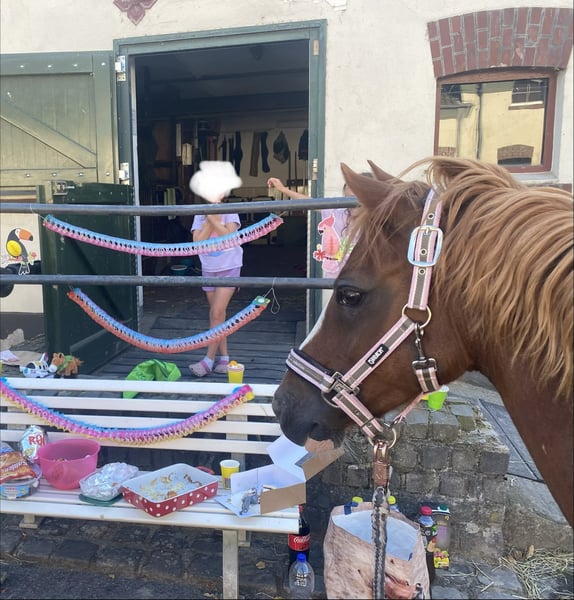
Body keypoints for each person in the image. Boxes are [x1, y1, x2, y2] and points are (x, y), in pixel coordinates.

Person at [188, 193, 243, 377]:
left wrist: (212, 219)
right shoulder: (199, 214)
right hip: (209, 267)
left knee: (217, 313)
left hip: (229, 266)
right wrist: (211, 220)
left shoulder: (230, 211)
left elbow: (229, 237)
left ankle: (208, 360)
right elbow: (198, 243)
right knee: (217, 316)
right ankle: (224, 357)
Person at [267, 176, 366, 277]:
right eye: (348, 198)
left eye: (357, 198)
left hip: (359, 280)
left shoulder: (372, 222)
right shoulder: (337, 213)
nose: (353, 203)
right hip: (334, 279)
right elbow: (309, 202)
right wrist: (283, 189)